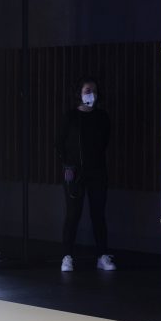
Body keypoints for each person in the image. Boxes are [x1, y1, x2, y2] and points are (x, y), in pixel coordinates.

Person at [56, 77, 116, 271]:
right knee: (72, 214)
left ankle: (102, 256)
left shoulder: (102, 117)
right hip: (74, 174)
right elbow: (59, 143)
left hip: (97, 172)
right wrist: (68, 165)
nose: (92, 95)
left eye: (94, 91)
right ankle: (67, 257)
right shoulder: (70, 117)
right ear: (80, 93)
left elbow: (105, 142)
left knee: (98, 214)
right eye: (88, 90)